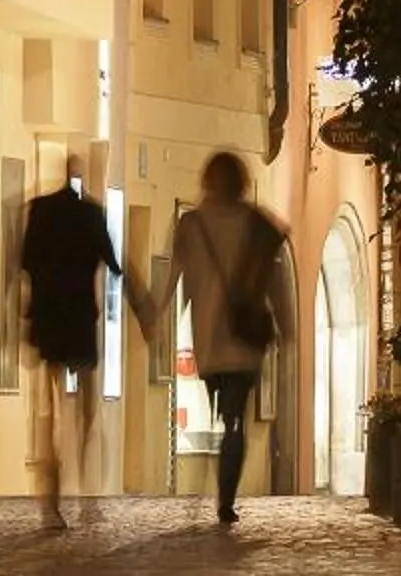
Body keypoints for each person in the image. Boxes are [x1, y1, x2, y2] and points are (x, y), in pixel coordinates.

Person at [18, 153, 151, 531]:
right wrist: (142, 306)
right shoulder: (91, 215)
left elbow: (24, 263)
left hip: (48, 322)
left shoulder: (40, 211)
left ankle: (52, 500)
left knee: (50, 411)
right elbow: (114, 263)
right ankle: (85, 487)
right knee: (85, 412)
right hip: (79, 320)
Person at [171, 150, 294, 528]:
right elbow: (277, 281)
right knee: (235, 419)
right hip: (245, 338)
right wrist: (288, 328)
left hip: (209, 337)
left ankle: (221, 479)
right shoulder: (256, 224)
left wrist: (154, 313)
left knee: (226, 414)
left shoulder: (191, 224)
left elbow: (173, 276)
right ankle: (226, 497)